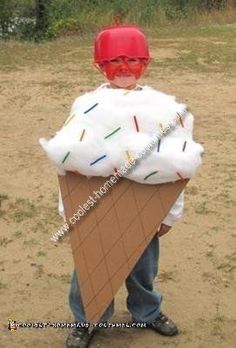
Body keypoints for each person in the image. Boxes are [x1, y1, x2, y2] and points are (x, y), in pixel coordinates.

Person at [63, 23, 190, 348]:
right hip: (95, 203)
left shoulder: (163, 109)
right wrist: (69, 208)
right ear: (99, 65)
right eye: (113, 61)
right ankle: (87, 319)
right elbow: (70, 161)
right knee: (91, 267)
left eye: (132, 60)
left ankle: (147, 312)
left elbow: (176, 162)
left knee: (143, 266)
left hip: (144, 204)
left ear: (145, 63)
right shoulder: (86, 106)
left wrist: (169, 212)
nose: (123, 68)